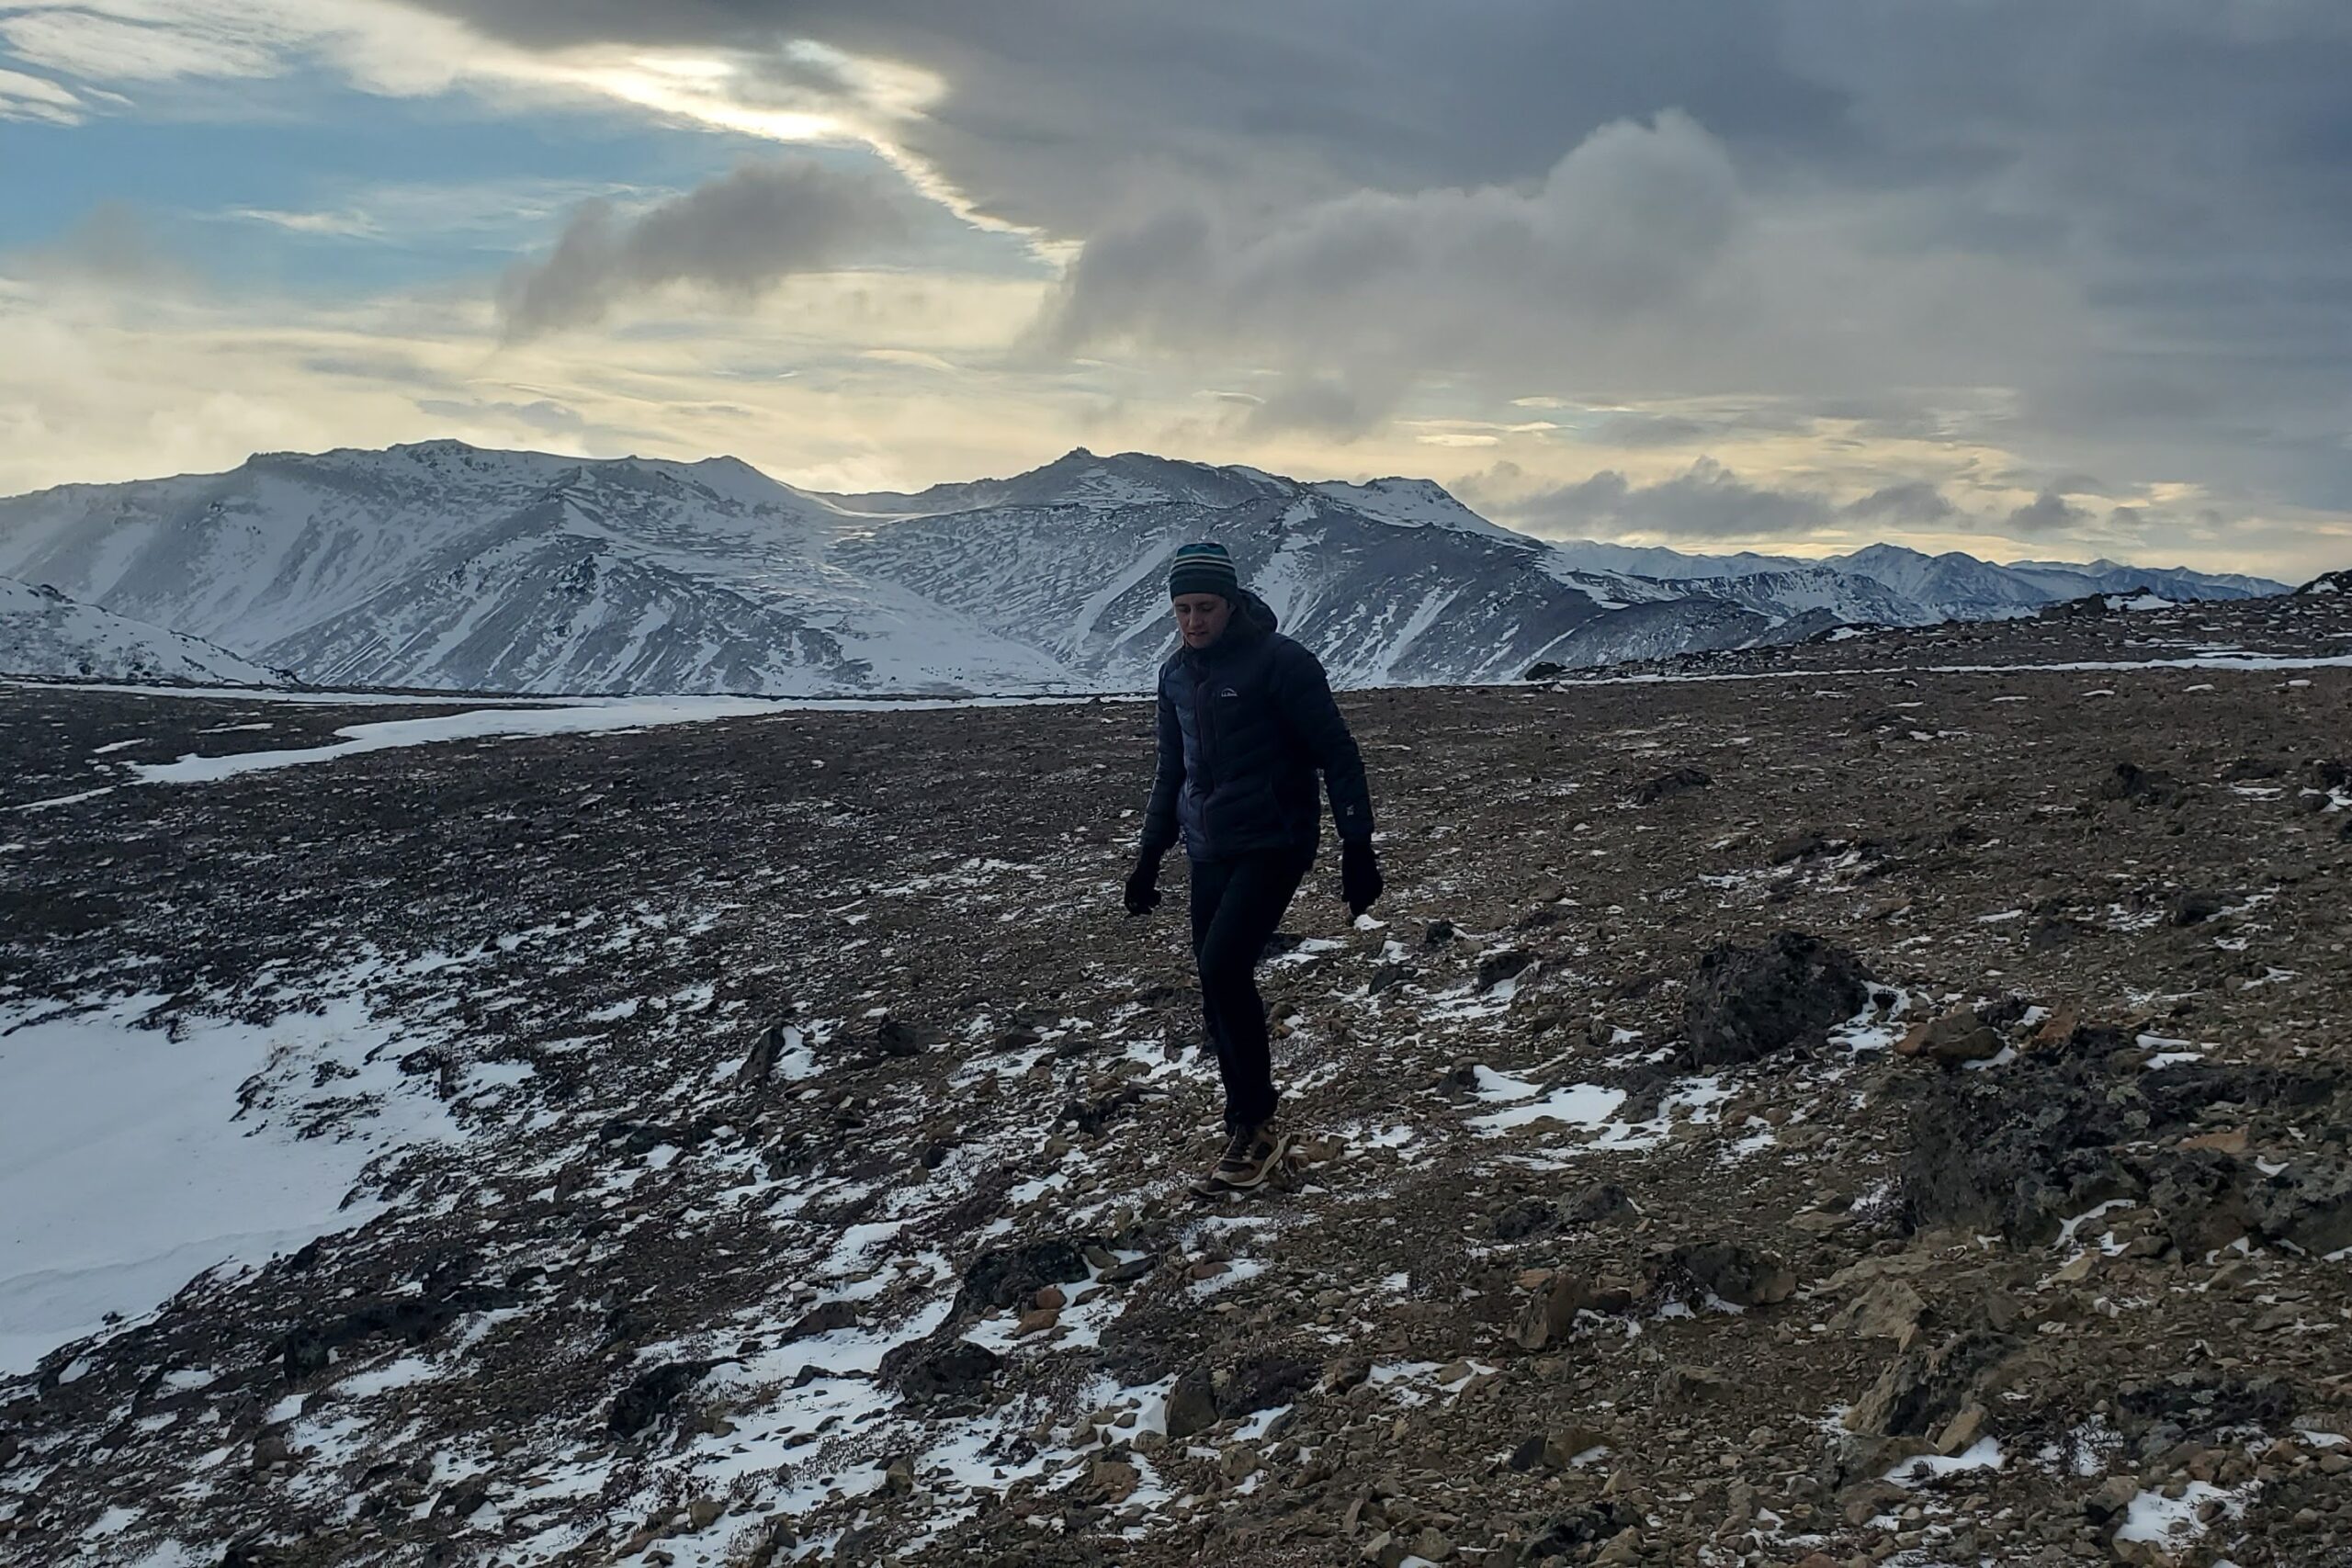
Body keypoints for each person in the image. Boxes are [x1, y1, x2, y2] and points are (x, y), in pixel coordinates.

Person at [1124, 540, 1384, 1193]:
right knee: (1215, 984)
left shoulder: (1282, 663)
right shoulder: (1175, 676)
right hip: (1210, 845)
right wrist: (1148, 858)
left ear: (1232, 602)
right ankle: (1246, 1126)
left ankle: (1257, 1124)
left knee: (1223, 964)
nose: (1192, 622)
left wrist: (1358, 844)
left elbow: (1337, 751)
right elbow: (1170, 771)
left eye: (1204, 607)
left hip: (1275, 838)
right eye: (1180, 609)